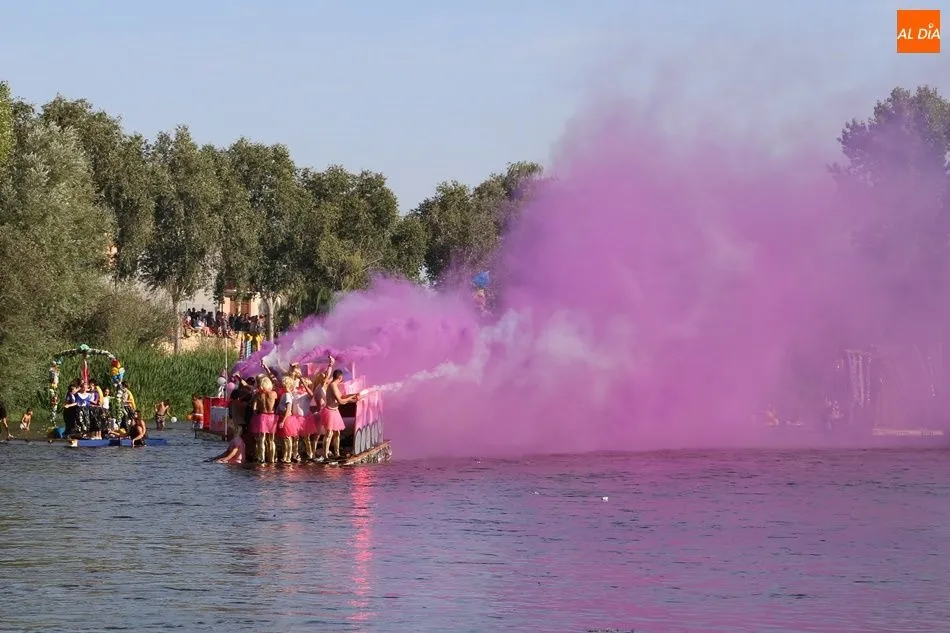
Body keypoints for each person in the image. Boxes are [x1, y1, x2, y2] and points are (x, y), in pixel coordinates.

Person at [320, 356, 360, 460]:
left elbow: (342, 397)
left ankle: (337, 453)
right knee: (329, 433)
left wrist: (354, 397)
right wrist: (351, 398)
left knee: (337, 432)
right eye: (342, 378)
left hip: (335, 411)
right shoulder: (332, 385)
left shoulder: (335, 386)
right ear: (340, 377)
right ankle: (325, 454)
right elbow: (341, 401)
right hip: (330, 411)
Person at [250, 376, 278, 463]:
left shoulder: (258, 395)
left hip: (262, 417)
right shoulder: (274, 393)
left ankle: (262, 458)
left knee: (261, 439)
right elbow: (277, 405)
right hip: (272, 417)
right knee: (271, 439)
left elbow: (254, 408)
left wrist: (259, 409)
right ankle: (271, 459)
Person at [276, 375, 299, 463]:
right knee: (285, 438)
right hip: (283, 417)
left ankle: (288, 457)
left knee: (287, 438)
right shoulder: (285, 394)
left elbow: (288, 409)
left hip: (286, 418)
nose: (282, 385)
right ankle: (285, 455)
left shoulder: (287, 395)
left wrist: (283, 421)